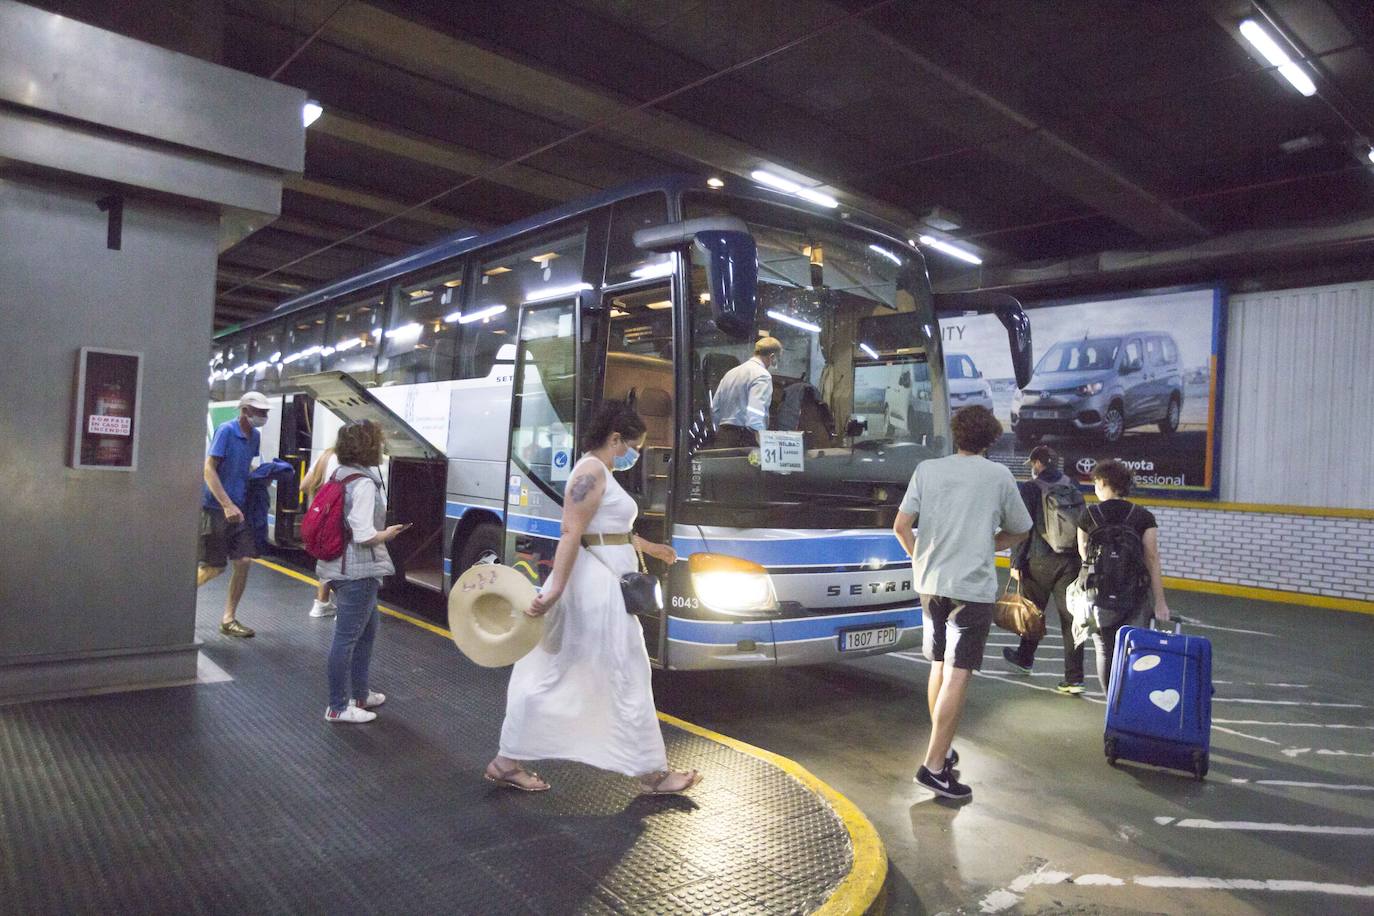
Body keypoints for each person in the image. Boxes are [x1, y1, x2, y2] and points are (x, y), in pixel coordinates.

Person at [486, 402, 699, 794]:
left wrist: (650, 548)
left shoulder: (600, 472)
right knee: (624, 670)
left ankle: (507, 760)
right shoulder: (590, 472)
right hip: (596, 589)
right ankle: (652, 772)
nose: (635, 454)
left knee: (560, 671)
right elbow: (571, 533)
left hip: (600, 584)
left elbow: (607, 530)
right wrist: (553, 591)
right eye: (633, 446)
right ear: (615, 438)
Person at [892, 405, 1031, 801]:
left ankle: (943, 747)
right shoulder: (998, 475)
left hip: (930, 584)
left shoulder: (928, 470)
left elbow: (901, 525)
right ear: (989, 441)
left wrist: (920, 556)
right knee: (958, 673)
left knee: (938, 664)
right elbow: (1021, 529)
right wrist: (987, 544)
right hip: (970, 589)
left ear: (955, 435)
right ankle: (934, 767)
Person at [315, 421, 405, 724]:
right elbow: (364, 533)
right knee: (346, 639)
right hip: (356, 570)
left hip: (338, 565)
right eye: (379, 442)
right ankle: (338, 706)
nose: (382, 447)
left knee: (366, 631)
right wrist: (389, 534)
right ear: (368, 446)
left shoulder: (339, 473)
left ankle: (361, 694)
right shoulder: (364, 482)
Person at [1079, 459, 1171, 693]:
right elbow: (1152, 559)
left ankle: (1112, 704)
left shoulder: (1089, 515)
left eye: (1096, 483)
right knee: (1135, 648)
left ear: (1103, 482)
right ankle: (1132, 701)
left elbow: (1084, 555)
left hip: (1099, 595)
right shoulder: (1143, 517)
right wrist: (1160, 601)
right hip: (1135, 595)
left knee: (1104, 649)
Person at [1002, 445, 1087, 694]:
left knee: (1032, 613)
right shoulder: (1071, 484)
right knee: (1071, 619)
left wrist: (1015, 562)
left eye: (1033, 463)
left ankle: (1025, 659)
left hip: (1038, 560)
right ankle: (1074, 679)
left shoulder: (1029, 488)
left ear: (1038, 463)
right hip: (1070, 561)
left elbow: (1022, 528)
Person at [197, 391, 272, 638]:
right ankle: (170, 608)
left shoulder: (255, 436)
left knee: (243, 561)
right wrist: (227, 504)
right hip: (217, 508)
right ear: (245, 411)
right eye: (260, 412)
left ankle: (228, 619)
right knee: (213, 568)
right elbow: (209, 469)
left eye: (265, 412)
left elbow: (246, 467)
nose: (264, 416)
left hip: (239, 509)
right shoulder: (226, 431)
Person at [711, 336, 782, 447]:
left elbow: (715, 408)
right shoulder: (762, 375)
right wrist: (763, 442)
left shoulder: (730, 373)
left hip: (723, 436)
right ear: (772, 357)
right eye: (778, 359)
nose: (777, 364)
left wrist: (720, 431)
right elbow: (755, 414)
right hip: (745, 438)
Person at [300, 446, 339, 618]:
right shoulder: (351, 461)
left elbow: (304, 485)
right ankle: (344, 608)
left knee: (327, 559)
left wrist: (321, 498)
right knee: (343, 561)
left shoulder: (325, 456)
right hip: (337, 518)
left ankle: (322, 603)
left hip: (320, 518)